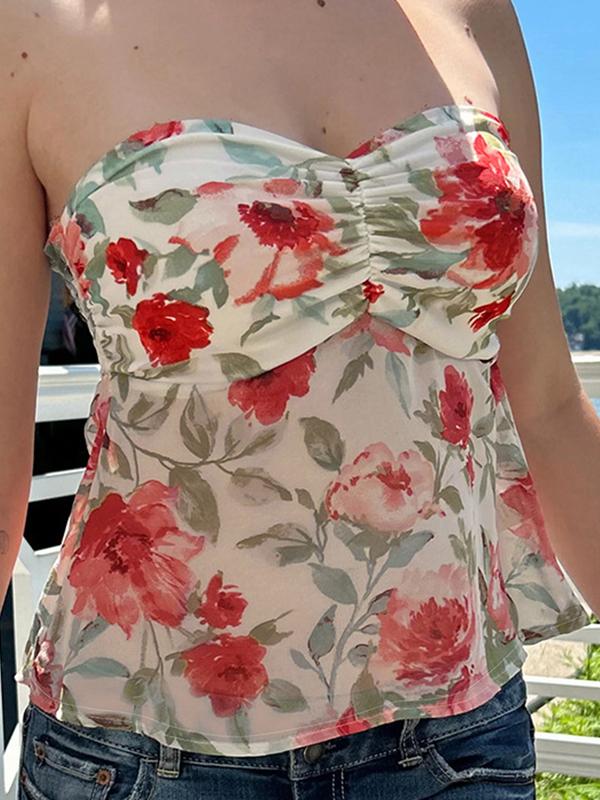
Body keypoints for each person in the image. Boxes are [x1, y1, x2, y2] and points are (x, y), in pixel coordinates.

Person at [2, 1, 598, 797]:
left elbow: (549, 403)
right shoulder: (32, 25)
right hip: (146, 754)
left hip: (459, 741)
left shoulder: (474, 13)